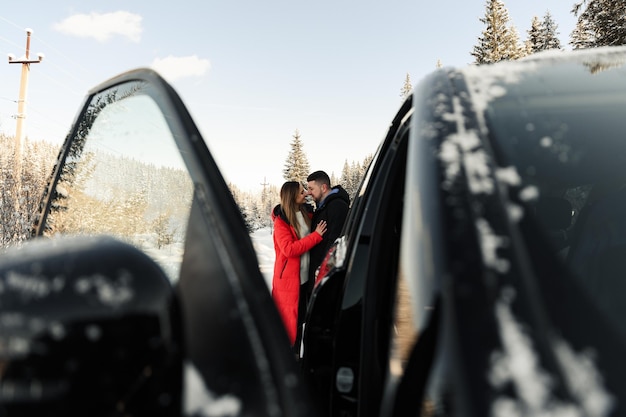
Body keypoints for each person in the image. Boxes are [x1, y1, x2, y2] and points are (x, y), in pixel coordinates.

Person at [271, 181, 327, 350]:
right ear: (292, 196)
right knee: (289, 322)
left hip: (304, 278)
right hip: (288, 281)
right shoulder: (281, 222)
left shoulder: (305, 213)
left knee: (301, 319)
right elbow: (289, 249)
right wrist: (315, 236)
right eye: (302, 192)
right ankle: (288, 358)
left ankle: (298, 357)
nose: (306, 194)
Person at [306, 170, 350, 287]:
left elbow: (335, 242)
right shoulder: (323, 206)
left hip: (324, 278)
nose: (309, 193)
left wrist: (322, 272)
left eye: (311, 189)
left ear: (323, 188)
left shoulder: (337, 207)